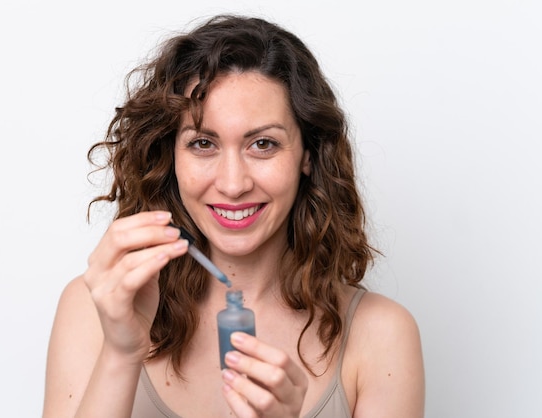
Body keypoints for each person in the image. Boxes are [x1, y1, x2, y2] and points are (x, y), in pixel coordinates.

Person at [42, 14, 425, 418]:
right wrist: (121, 353)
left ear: (307, 156)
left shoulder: (382, 335)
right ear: (169, 155)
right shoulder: (92, 310)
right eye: (203, 143)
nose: (232, 183)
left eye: (263, 144)